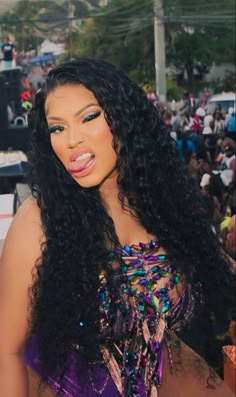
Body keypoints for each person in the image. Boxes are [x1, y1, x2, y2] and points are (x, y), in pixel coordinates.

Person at [0, 58, 235, 397]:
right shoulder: (39, 221)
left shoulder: (165, 208)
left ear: (125, 117)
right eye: (57, 128)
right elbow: (6, 349)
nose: (71, 141)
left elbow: (219, 269)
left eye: (89, 117)